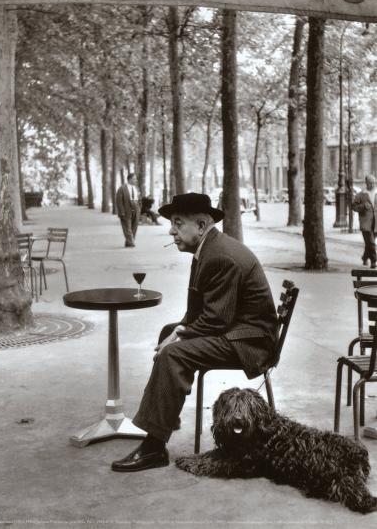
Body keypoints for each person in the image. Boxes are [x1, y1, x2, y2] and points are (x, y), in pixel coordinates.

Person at [111, 192, 278, 472]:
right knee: (169, 332)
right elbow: (199, 308)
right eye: (172, 224)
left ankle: (154, 447)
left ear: (201, 226)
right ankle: (165, 414)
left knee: (173, 355)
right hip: (238, 331)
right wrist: (177, 329)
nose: (171, 231)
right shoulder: (207, 249)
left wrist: (180, 336)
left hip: (249, 342)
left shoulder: (221, 257)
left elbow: (215, 320)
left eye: (178, 223)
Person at [352, 174, 377, 268]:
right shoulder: (361, 194)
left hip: (375, 223)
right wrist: (363, 207)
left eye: (374, 183)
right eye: (370, 183)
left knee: (369, 243)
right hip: (365, 223)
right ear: (366, 183)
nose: (372, 184)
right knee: (371, 243)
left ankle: (364, 257)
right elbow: (353, 207)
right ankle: (374, 261)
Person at [115, 173, 141, 247]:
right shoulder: (122, 188)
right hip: (126, 210)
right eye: (134, 179)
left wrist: (139, 209)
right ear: (129, 179)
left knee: (134, 227)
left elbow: (139, 199)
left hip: (136, 209)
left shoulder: (136, 188)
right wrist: (122, 212)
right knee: (127, 227)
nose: (136, 180)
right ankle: (131, 242)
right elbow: (119, 201)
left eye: (136, 179)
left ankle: (128, 242)